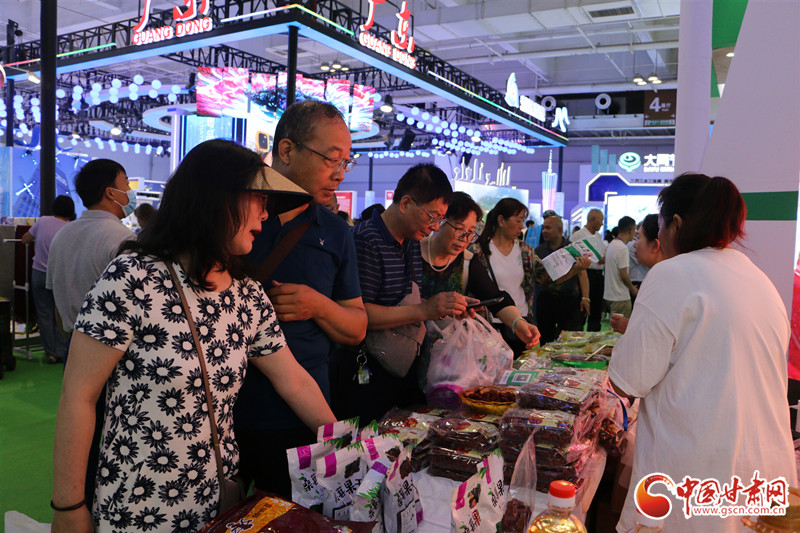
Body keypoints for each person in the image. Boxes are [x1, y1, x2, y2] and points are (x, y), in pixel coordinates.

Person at [51, 139, 336, 533]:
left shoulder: (247, 295)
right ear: (217, 198)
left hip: (219, 506)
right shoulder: (133, 278)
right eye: (258, 199)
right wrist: (68, 506)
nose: (265, 213)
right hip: (139, 510)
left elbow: (295, 381)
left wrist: (347, 441)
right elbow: (78, 395)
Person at [610, 173, 797, 533]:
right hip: (764, 474)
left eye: (660, 225)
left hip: (697, 476)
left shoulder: (671, 275)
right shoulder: (758, 279)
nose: (658, 236)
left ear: (677, 224)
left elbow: (628, 380)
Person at [235, 101, 367, 499]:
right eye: (331, 158)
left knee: (292, 515)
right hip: (223, 409)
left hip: (302, 411)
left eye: (346, 161)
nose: (339, 173)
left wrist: (318, 305)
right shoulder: (235, 219)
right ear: (287, 150)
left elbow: (357, 328)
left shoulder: (335, 232)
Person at [342, 163, 466, 424]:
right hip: (368, 370)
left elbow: (406, 301)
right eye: (432, 216)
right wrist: (425, 310)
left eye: (440, 220)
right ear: (406, 203)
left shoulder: (411, 241)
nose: (434, 227)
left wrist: (445, 307)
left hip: (400, 364)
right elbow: (359, 315)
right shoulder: (365, 241)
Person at [46, 159, 136, 507]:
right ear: (110, 192)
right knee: (115, 437)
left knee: (79, 431)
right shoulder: (121, 238)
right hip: (114, 354)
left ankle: (76, 503)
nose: (129, 191)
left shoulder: (63, 234)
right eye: (126, 184)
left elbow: (54, 295)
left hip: (73, 344)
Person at [420, 192, 540, 350]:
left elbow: (495, 297)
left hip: (445, 352)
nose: (464, 238)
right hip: (405, 347)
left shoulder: (467, 260)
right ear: (440, 221)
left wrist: (518, 323)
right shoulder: (412, 253)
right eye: (459, 228)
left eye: (470, 232)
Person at [21, 195, 75, 364]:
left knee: (44, 314)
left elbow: (25, 239)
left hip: (38, 273)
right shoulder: (69, 228)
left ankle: (50, 353)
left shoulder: (42, 221)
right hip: (59, 275)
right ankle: (61, 351)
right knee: (61, 313)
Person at [533, 215, 591, 344]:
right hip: (546, 300)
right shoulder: (539, 250)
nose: (544, 231)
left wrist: (585, 298)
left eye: (548, 228)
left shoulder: (571, 249)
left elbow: (582, 273)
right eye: (543, 228)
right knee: (545, 339)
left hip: (569, 300)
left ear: (559, 230)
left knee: (570, 340)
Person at [610, 214, 664, 334]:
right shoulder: (655, 277)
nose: (634, 244)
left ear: (654, 246)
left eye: (638, 238)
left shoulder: (662, 281)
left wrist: (632, 328)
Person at [571, 208, 606, 331]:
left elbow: (601, 255)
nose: (602, 223)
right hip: (585, 275)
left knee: (596, 310)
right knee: (581, 311)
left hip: (598, 276)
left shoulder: (598, 236)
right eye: (601, 220)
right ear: (593, 219)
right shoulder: (578, 235)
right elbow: (574, 257)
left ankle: (594, 335)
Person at [603, 216, 637, 318]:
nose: (635, 234)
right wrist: (632, 289)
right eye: (635, 230)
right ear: (630, 230)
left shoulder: (612, 244)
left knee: (614, 326)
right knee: (620, 327)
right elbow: (623, 274)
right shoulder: (622, 248)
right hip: (620, 297)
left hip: (610, 295)